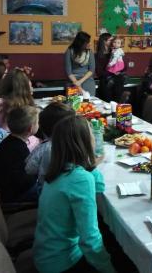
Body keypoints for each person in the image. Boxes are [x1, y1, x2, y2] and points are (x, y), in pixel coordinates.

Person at [33, 115, 115, 273]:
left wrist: (91, 164)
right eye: (92, 134)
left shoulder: (58, 169)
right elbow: (89, 240)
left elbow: (98, 188)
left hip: (46, 254)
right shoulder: (80, 179)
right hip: (63, 263)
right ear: (86, 142)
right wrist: (109, 269)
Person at [0, 105, 40, 203]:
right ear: (30, 128)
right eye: (38, 122)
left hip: (9, 191)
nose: (39, 124)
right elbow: (26, 180)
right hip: (16, 196)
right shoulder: (19, 149)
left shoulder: (9, 142)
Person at [25, 102, 75, 187]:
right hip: (61, 188)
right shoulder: (71, 145)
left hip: (45, 188)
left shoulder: (43, 147)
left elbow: (29, 169)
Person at [65, 31, 96, 96]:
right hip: (73, 79)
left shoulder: (90, 52)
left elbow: (91, 70)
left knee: (89, 99)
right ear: (81, 43)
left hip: (87, 79)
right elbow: (68, 72)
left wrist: (79, 82)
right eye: (87, 42)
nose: (90, 44)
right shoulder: (69, 51)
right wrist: (77, 84)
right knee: (74, 100)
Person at [95, 32, 114, 101]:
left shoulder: (114, 52)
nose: (112, 42)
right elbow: (99, 72)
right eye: (110, 40)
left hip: (115, 81)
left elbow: (122, 67)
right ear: (104, 41)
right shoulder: (97, 56)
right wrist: (111, 72)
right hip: (105, 82)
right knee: (107, 102)